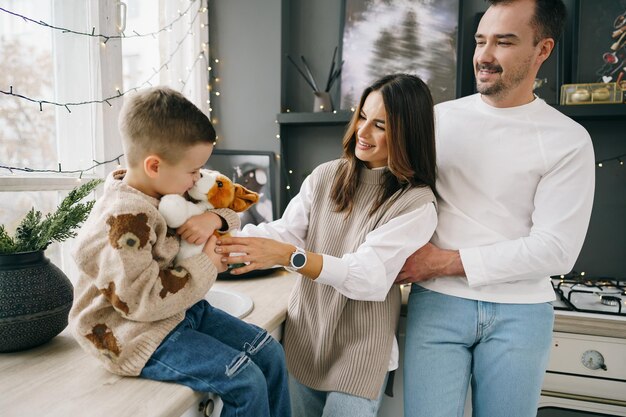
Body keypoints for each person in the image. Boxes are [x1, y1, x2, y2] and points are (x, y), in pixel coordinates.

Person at [394, 1, 595, 416]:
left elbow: (557, 249)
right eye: (481, 40)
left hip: (522, 312)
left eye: (504, 42)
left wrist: (443, 261)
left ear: (542, 50)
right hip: (437, 305)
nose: (484, 56)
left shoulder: (568, 140)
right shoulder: (436, 121)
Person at [211, 74, 438, 417]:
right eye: (362, 116)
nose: (362, 132)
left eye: (380, 125)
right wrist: (220, 238)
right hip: (306, 337)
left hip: (362, 351)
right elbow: (286, 232)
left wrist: (291, 257)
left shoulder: (417, 203)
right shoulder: (327, 175)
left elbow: (367, 277)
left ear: (408, 133)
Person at [69, 86, 291, 417]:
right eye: (192, 172)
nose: (197, 180)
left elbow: (230, 207)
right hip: (129, 333)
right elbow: (139, 301)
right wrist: (207, 265)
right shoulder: (125, 219)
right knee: (245, 381)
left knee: (270, 354)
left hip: (179, 311)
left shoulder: (168, 188)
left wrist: (211, 218)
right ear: (154, 165)